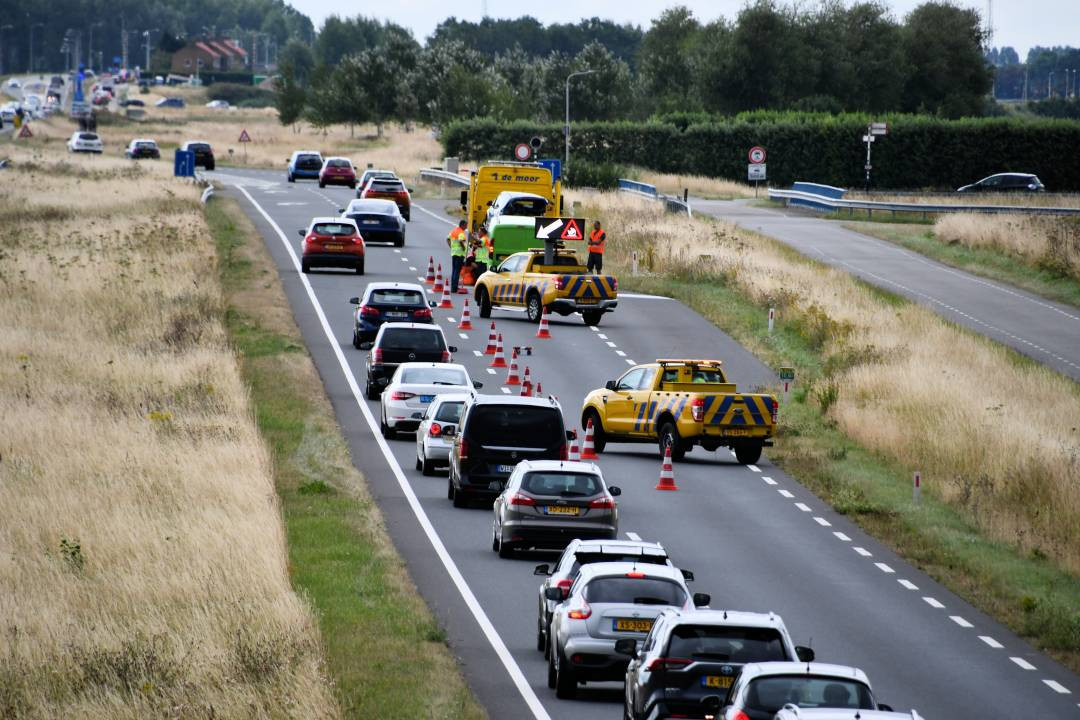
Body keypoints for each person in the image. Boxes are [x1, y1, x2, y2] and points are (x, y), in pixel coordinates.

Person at [447, 220, 468, 293]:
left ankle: (453, 286)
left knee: (454, 270)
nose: (466, 226)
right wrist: (464, 248)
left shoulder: (454, 231)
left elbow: (448, 239)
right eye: (466, 225)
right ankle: (454, 287)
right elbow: (460, 241)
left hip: (454, 253)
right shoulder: (461, 232)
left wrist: (451, 246)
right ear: (462, 225)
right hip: (459, 254)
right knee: (457, 271)